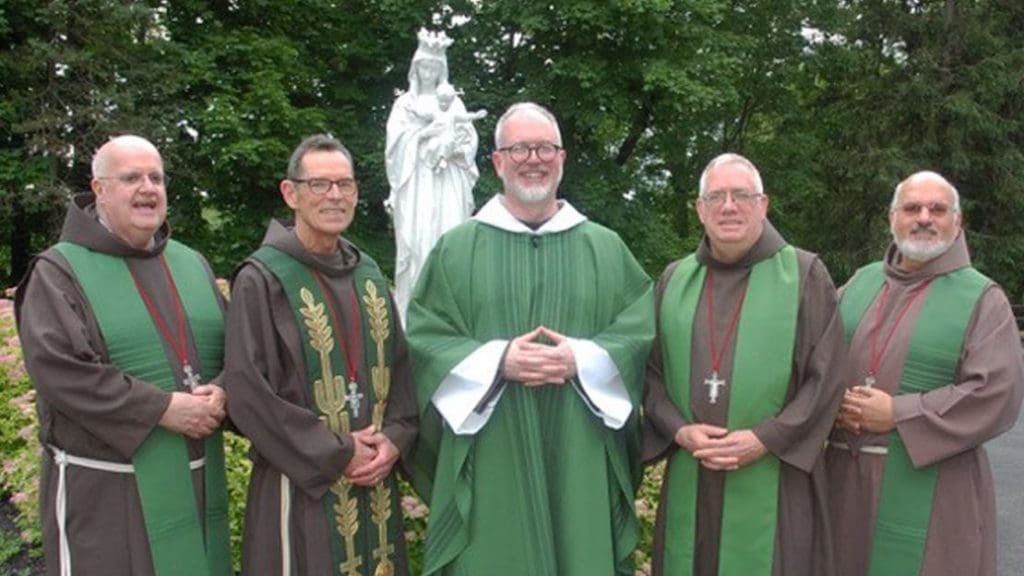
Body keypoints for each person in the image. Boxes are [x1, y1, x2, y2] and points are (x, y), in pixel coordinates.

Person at [406, 102, 655, 576]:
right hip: (491, 448)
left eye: (544, 148)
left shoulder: (605, 248)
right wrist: (497, 362)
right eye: (519, 149)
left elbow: (637, 332)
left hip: (580, 447)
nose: (533, 159)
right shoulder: (456, 250)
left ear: (562, 158)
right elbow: (426, 337)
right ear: (498, 162)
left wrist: (583, 359)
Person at [15, 135, 231, 576]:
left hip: (197, 481)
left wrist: (223, 390)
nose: (148, 188)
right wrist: (161, 408)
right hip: (109, 494)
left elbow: (239, 351)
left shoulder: (192, 265)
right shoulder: (58, 271)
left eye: (156, 178)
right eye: (132, 178)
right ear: (99, 189)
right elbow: (62, 371)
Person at [643, 153, 846, 576]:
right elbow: (651, 374)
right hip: (692, 471)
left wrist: (765, 438)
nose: (729, 206)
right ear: (700, 210)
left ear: (763, 204)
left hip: (774, 474)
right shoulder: (674, 280)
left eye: (741, 195)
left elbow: (825, 377)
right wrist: (679, 430)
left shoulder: (804, 275)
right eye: (716, 197)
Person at [224, 134, 418, 575]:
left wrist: (395, 438)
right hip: (299, 489)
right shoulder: (262, 279)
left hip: (373, 485)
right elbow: (249, 391)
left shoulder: (369, 274)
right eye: (319, 184)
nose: (335, 195)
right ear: (290, 193)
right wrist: (336, 452)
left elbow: (401, 370)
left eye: (345, 184)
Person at [827, 171, 1024, 576]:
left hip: (936, 491)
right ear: (892, 218)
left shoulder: (982, 299)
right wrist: (832, 401)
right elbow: (815, 356)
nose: (923, 218)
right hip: (845, 485)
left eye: (937, 209)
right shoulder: (860, 283)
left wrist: (898, 413)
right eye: (912, 208)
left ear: (958, 221)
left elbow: (996, 393)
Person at [385, 28, 481, 323]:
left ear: (441, 70)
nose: (428, 73)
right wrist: (423, 137)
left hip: (447, 181)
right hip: (416, 184)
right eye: (424, 67)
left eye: (433, 68)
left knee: (449, 237)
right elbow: (395, 146)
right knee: (417, 243)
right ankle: (413, 315)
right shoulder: (405, 104)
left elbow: (468, 140)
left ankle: (450, 316)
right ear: (415, 68)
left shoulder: (454, 103)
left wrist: (453, 147)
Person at [413, 82, 487, 172]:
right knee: (431, 147)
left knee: (447, 144)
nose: (444, 104)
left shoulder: (453, 115)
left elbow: (465, 117)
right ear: (437, 99)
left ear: (451, 102)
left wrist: (476, 115)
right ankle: (433, 163)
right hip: (437, 135)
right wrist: (414, 111)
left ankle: (442, 159)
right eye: (441, 101)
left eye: (447, 102)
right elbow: (424, 115)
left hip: (448, 136)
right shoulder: (435, 113)